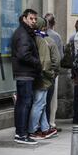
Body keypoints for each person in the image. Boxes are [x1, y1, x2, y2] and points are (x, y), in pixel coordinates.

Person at [11, 9, 41, 144]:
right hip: (25, 73)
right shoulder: (23, 34)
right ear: (24, 18)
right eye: (31, 19)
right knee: (25, 103)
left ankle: (20, 133)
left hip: (24, 73)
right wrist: (37, 62)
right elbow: (24, 54)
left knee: (22, 103)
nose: (34, 21)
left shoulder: (25, 32)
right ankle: (22, 134)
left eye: (35, 19)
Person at [28, 17, 60, 139]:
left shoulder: (31, 39)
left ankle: (45, 127)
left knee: (40, 102)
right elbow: (55, 61)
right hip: (44, 77)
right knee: (40, 103)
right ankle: (33, 129)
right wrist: (52, 74)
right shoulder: (47, 41)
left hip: (33, 75)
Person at [44, 13, 63, 130]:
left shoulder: (38, 35)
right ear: (54, 23)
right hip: (52, 71)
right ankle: (51, 122)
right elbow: (60, 56)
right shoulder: (56, 36)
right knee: (52, 98)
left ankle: (43, 122)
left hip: (41, 70)